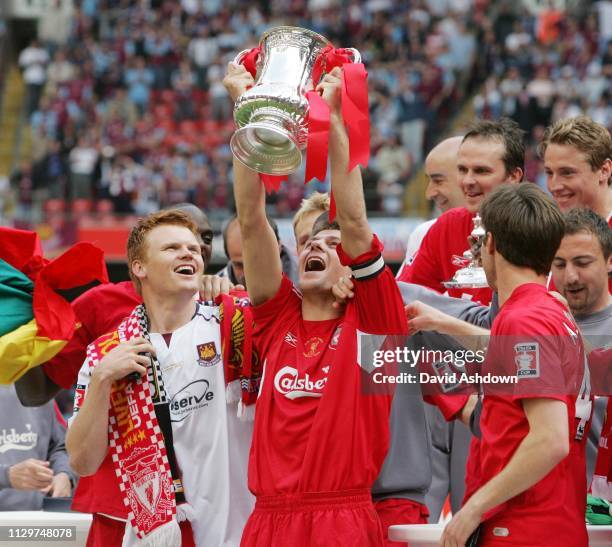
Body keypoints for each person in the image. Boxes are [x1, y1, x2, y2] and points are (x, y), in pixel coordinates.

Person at [224, 63, 408, 546]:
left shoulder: (374, 323)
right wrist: (246, 113)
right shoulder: (275, 316)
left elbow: (352, 217)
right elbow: (249, 218)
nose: (314, 248)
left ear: (354, 267)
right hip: (266, 521)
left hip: (339, 520)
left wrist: (336, 118)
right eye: (307, 242)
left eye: (330, 245)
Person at [66, 209, 255, 546]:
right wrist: (101, 381)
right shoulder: (105, 353)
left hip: (235, 532)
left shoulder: (233, 321)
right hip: (155, 536)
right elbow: (82, 462)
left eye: (194, 249)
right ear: (139, 267)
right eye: (171, 248)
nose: (189, 253)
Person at [440, 184, 587, 547]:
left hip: (524, 529)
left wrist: (473, 508)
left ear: (491, 243)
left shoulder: (525, 319)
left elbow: (550, 439)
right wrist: (439, 323)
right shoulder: (553, 310)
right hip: (554, 521)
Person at [15, 203, 214, 406]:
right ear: (141, 263)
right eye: (173, 244)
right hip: (126, 435)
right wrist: (18, 314)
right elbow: (34, 394)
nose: (196, 246)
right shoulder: (100, 304)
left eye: (204, 239)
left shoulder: (224, 305)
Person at [398, 118, 525, 306]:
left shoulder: (540, 227)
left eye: (481, 171)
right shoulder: (447, 226)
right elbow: (404, 299)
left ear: (514, 176)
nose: (467, 181)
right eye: (462, 170)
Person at [551, 208, 612, 497]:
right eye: (559, 264)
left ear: (610, 261)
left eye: (582, 263)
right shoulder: (538, 323)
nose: (570, 276)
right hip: (553, 513)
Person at [397, 136, 465, 277]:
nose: (429, 194)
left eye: (438, 181)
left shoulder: (516, 233)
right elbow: (402, 295)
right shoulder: (424, 233)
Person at [0, 385, 75, 510]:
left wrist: (64, 475)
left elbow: (60, 446)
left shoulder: (38, 391)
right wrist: (7, 476)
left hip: (37, 520)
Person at [540, 116, 612, 222]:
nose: (554, 186)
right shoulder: (549, 230)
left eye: (567, 173)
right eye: (549, 173)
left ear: (604, 171)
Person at [218, 214, 298, 286]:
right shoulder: (214, 296)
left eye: (257, 263)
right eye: (239, 265)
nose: (249, 275)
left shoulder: (305, 288)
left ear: (278, 248)